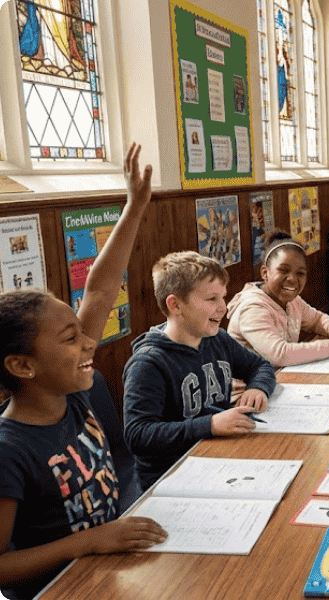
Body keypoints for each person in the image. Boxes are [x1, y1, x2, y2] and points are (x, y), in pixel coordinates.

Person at [0, 143, 167, 600]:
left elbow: (99, 289)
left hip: (108, 566)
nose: (88, 343)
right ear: (22, 365)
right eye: (70, 339)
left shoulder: (69, 393)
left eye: (81, 332)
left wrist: (133, 207)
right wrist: (90, 541)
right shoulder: (9, 450)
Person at [123, 251, 277, 491]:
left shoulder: (217, 339)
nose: (223, 308)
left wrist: (259, 388)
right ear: (175, 305)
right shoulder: (148, 363)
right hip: (170, 479)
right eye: (211, 299)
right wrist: (211, 425)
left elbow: (261, 366)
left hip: (217, 457)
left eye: (223, 297)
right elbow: (138, 435)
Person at [227, 229, 329, 366]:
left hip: (280, 377)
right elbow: (280, 355)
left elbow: (316, 320)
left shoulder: (292, 301)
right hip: (249, 385)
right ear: (265, 273)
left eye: (300, 273)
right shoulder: (251, 308)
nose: (292, 279)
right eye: (283, 270)